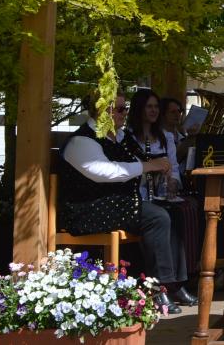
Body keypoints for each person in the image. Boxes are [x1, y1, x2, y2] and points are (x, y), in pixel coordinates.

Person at [60, 92, 189, 314]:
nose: (124, 114)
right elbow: (105, 172)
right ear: (103, 111)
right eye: (120, 109)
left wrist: (162, 167)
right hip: (89, 209)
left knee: (173, 212)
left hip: (115, 204)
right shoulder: (81, 141)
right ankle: (158, 288)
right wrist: (148, 166)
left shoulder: (119, 137)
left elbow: (142, 160)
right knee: (157, 217)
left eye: (125, 108)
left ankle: (174, 283)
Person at [121, 89, 181, 198]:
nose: (154, 110)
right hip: (137, 198)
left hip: (163, 196)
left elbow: (175, 168)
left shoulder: (166, 137)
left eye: (156, 106)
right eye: (149, 106)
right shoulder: (125, 138)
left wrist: (173, 182)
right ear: (139, 109)